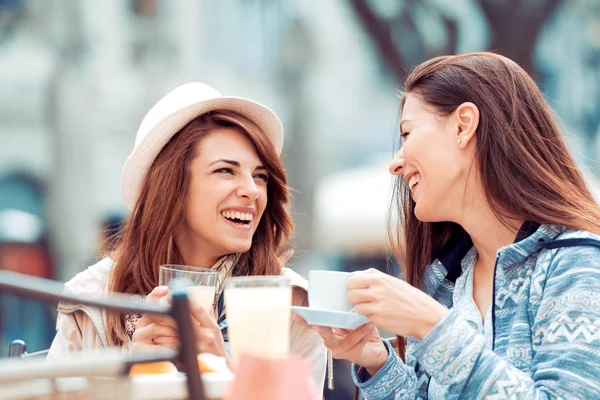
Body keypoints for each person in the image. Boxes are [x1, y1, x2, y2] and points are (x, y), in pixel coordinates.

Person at [298, 52, 600, 399]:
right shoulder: (443, 283)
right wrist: (379, 364)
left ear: (463, 125)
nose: (395, 163)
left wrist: (433, 327)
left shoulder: (577, 265)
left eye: (407, 133)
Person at [47, 82, 326, 389]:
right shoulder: (92, 298)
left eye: (260, 176)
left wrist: (222, 372)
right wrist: (131, 378)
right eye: (225, 171)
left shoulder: (294, 305)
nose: (251, 190)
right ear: (171, 188)